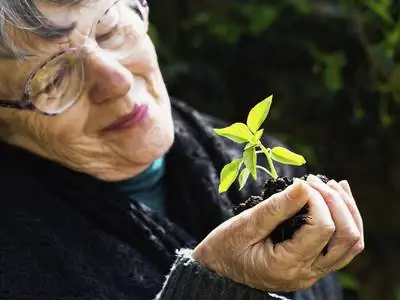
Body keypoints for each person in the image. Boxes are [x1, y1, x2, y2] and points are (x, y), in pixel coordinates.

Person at [0, 0, 364, 299]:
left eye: (109, 30)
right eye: (54, 80)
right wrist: (214, 285)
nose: (117, 81)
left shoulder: (248, 160)